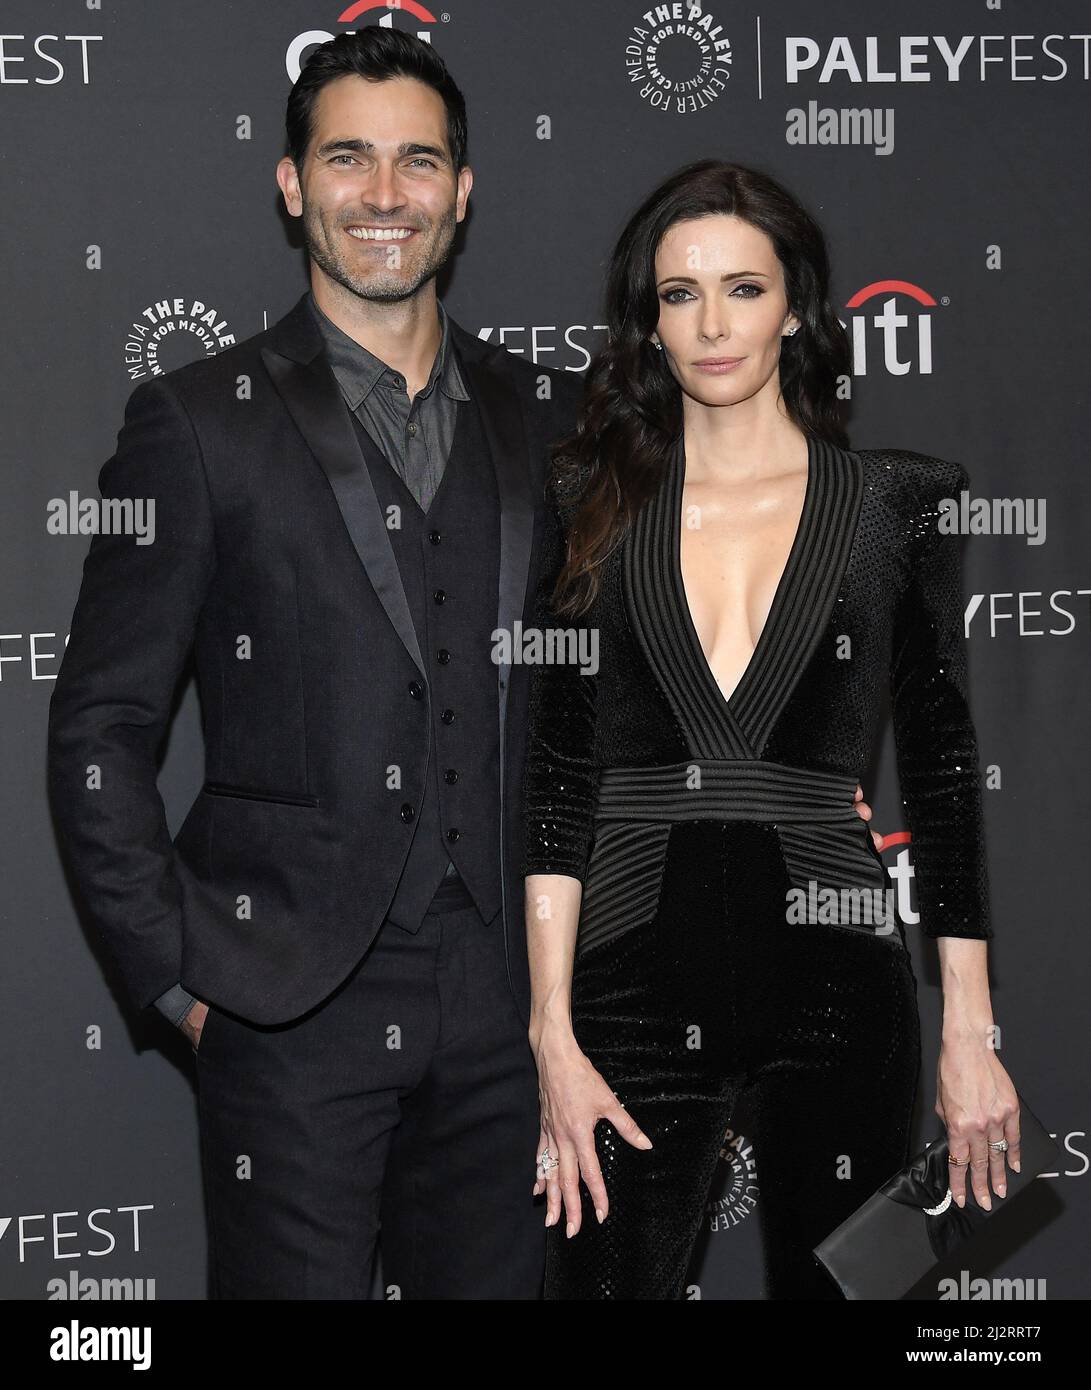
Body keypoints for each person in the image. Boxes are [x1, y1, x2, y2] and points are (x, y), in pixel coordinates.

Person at [46, 28, 586, 1299]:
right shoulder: (193, 421)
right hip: (282, 995)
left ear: (463, 190)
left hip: (510, 1000)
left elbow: (613, 684)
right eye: (348, 158)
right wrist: (178, 978)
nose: (384, 195)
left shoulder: (551, 418)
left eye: (417, 161)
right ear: (292, 183)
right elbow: (100, 726)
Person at [521, 160, 1020, 1300]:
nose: (709, 324)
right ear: (647, 319)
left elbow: (940, 775)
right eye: (678, 293)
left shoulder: (900, 501)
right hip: (628, 981)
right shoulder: (584, 500)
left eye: (740, 289)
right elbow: (558, 781)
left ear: (794, 305)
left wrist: (968, 1033)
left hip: (840, 981)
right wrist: (551, 1031)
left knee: (850, 1296)